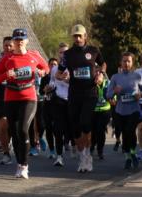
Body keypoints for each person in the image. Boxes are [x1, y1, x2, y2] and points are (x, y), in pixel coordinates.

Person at [0, 28, 48, 178]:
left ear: (27, 41)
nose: (19, 42)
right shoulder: (6, 59)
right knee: (14, 133)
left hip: (29, 97)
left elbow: (46, 67)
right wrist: (5, 75)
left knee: (23, 129)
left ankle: (25, 165)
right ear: (13, 42)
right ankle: (19, 164)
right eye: (16, 39)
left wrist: (42, 72)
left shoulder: (34, 55)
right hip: (11, 98)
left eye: (22, 39)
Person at [58, 24, 105, 173]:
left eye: (80, 36)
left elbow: (103, 63)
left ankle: (87, 156)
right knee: (75, 127)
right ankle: (82, 154)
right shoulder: (68, 54)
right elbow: (58, 73)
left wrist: (101, 74)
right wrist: (63, 76)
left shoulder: (93, 51)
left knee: (85, 122)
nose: (77, 38)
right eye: (75, 36)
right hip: (74, 94)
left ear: (85, 36)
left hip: (90, 93)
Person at [108, 52, 142, 171]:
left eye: (129, 61)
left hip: (134, 110)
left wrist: (140, 95)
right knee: (125, 134)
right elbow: (107, 95)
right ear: (121, 63)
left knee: (130, 131)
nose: (126, 63)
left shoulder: (137, 76)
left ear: (132, 63)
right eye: (124, 61)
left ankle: (133, 152)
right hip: (120, 111)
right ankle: (128, 157)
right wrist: (114, 91)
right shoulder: (115, 77)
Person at [44, 56, 71, 167]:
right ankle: (59, 156)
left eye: (65, 53)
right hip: (58, 101)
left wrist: (68, 79)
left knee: (71, 128)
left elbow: (79, 84)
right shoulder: (55, 69)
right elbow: (52, 83)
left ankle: (73, 144)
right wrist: (48, 88)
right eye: (61, 53)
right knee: (58, 129)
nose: (63, 55)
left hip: (71, 101)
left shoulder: (74, 68)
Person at [91, 70, 112, 160]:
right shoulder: (90, 83)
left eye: (99, 73)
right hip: (93, 110)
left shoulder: (108, 83)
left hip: (105, 110)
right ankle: (92, 146)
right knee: (93, 130)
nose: (97, 74)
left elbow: (112, 95)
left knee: (100, 129)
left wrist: (113, 99)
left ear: (103, 75)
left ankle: (100, 150)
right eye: (96, 73)